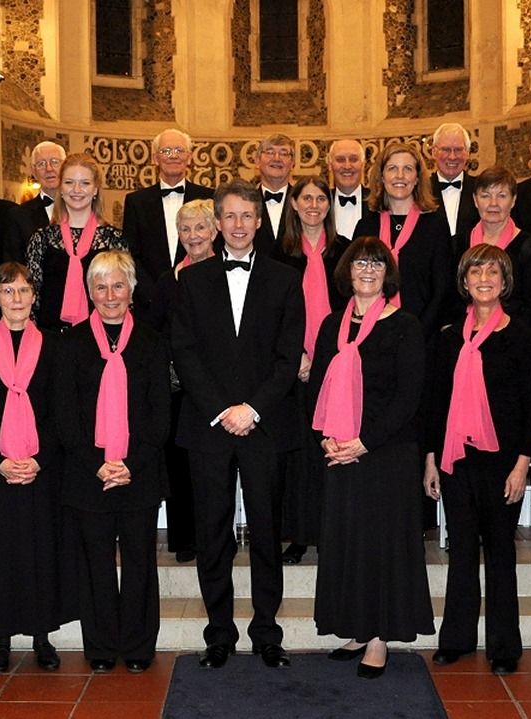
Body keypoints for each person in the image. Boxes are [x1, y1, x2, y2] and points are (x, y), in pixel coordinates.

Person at [171, 179, 305, 670]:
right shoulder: (190, 280)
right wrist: (222, 409)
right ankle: (219, 634)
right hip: (208, 425)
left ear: (260, 220)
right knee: (212, 532)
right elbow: (183, 352)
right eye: (229, 216)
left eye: (248, 216)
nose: (239, 225)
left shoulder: (285, 278)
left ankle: (267, 632)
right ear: (216, 224)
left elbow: (289, 355)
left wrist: (252, 410)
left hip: (265, 424)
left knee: (267, 532)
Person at [308, 236, 434, 678]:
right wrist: (327, 438)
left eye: (376, 264)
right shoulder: (331, 326)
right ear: (346, 270)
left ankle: (380, 637)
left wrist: (364, 442)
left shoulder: (406, 326)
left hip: (385, 453)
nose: (366, 270)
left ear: (388, 274)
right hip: (339, 451)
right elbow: (316, 387)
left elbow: (409, 397)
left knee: (381, 545)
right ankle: (358, 628)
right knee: (348, 542)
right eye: (360, 262)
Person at [423, 244, 531, 676]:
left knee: (499, 552)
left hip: (503, 462)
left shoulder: (522, 335)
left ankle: (504, 645)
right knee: (460, 551)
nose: (484, 279)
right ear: (465, 281)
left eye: (492, 272)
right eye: (476, 273)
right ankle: (456, 638)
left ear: (504, 281)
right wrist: (431, 458)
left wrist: (522, 463)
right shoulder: (448, 336)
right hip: (456, 459)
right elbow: (435, 403)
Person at [0, 262, 76, 673]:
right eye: (8, 292)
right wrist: (0, 461)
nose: (17, 299)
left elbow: (62, 410)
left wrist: (37, 460)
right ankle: (0, 639)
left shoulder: (55, 345)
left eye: (24, 291)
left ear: (33, 297)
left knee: (41, 551)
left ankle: (43, 636)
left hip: (41, 467)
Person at [55, 250, 170, 674]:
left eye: (118, 285)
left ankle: (139, 645)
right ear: (89, 292)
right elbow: (64, 417)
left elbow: (161, 417)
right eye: (101, 287)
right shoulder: (70, 344)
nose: (110, 295)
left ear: (132, 289)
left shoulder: (154, 342)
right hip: (89, 475)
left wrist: (129, 464)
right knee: (95, 564)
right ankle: (101, 645)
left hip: (138, 472)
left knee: (141, 560)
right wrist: (99, 463)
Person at [272, 176, 351, 566]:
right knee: (299, 452)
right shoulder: (278, 252)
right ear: (294, 203)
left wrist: (326, 360)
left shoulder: (346, 251)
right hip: (292, 366)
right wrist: (297, 358)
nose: (315, 205)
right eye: (307, 198)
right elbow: (271, 314)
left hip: (338, 365)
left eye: (322, 198)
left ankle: (333, 532)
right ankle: (300, 535)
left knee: (332, 446)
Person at [141, 199, 220, 564]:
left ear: (215, 229)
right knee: (180, 464)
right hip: (177, 389)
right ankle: (186, 539)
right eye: (185, 229)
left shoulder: (228, 274)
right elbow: (154, 334)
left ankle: (218, 537)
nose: (193, 236)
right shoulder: (166, 281)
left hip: (220, 388)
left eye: (200, 227)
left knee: (216, 467)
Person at [352, 142, 450, 337]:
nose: (400, 176)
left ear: (417, 178)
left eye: (407, 169)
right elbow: (354, 283)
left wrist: (416, 332)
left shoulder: (435, 226)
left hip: (423, 335)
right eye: (392, 169)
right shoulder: (366, 227)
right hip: (371, 334)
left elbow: (442, 289)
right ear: (381, 177)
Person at [26, 153, 127, 330]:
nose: (77, 190)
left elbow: (125, 296)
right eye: (69, 182)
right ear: (61, 189)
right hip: (51, 338)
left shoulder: (113, 239)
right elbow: (32, 297)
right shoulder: (41, 239)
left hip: (100, 337)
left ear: (95, 189)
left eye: (85, 183)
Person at [122, 128, 214, 312]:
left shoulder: (209, 197)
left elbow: (216, 247)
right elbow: (131, 254)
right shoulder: (135, 201)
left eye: (179, 151)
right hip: (150, 304)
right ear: (155, 158)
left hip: (201, 298)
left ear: (189, 157)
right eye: (166, 151)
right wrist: (153, 293)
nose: (173, 156)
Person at [465, 166, 531, 337]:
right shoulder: (458, 244)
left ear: (514, 200)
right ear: (475, 200)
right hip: (466, 332)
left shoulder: (529, 246)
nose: (493, 203)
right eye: (485, 195)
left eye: (502, 196)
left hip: (513, 338)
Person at [10, 141, 66, 258]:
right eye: (41, 164)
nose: (49, 168)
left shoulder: (81, 209)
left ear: (65, 166)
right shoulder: (19, 216)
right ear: (33, 171)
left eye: (55, 162)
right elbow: (15, 264)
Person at [430, 123, 479, 241]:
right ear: (433, 152)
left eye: (458, 150)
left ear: (468, 153)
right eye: (446, 149)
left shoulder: (481, 188)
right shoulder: (420, 190)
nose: (452, 157)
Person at [254, 133, 297, 257]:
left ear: (292, 163)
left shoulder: (303, 202)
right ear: (257, 161)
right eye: (270, 152)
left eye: (284, 153)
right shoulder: (246, 202)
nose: (277, 158)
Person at [327, 139, 370, 240]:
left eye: (353, 159)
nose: (347, 166)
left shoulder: (378, 202)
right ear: (330, 165)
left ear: (363, 164)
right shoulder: (321, 203)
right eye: (340, 160)